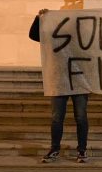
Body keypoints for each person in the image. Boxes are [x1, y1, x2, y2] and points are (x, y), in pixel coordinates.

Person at [29, 9, 90, 163]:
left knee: (81, 117)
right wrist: (39, 19)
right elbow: (34, 35)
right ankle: (54, 149)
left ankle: (82, 150)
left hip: (79, 82)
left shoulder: (84, 39)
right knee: (57, 118)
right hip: (59, 81)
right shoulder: (54, 37)